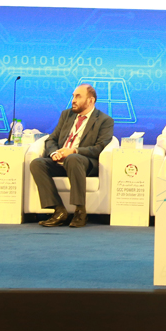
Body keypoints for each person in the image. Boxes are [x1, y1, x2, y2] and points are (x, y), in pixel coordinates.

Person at [30, 84, 114, 228]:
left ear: (91, 100)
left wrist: (74, 151)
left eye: (78, 97)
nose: (73, 100)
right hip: (61, 161)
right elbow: (51, 139)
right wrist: (54, 153)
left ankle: (80, 211)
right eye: (73, 96)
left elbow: (99, 148)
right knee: (37, 163)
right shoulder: (66, 115)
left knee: (72, 159)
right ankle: (59, 210)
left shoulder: (104, 120)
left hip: (84, 163)